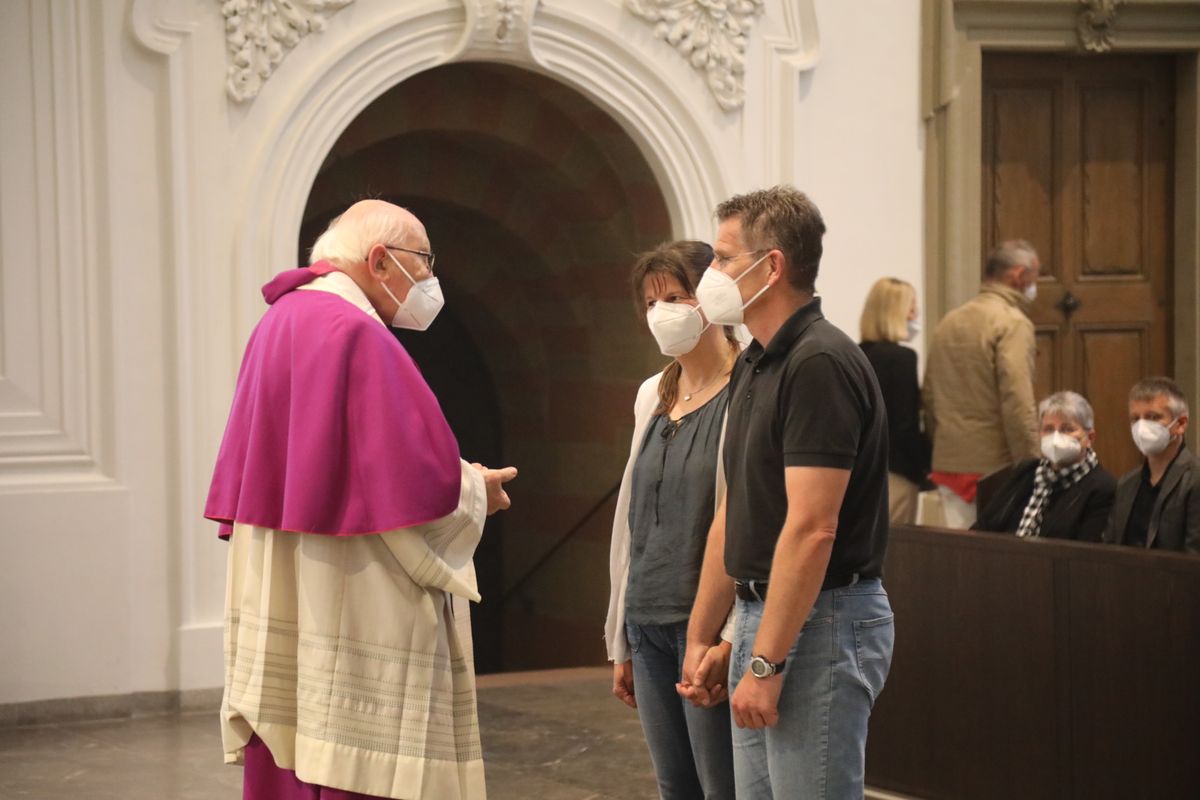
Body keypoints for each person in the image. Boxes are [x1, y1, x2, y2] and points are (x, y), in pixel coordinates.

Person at [204, 199, 518, 800]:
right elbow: (416, 487)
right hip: (353, 588)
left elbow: (353, 468)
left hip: (292, 575)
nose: (430, 280)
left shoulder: (280, 321)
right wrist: (478, 488)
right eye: (424, 262)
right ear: (380, 260)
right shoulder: (353, 332)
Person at [678, 187, 894, 799]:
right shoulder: (756, 360)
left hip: (821, 620)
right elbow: (736, 509)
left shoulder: (818, 362)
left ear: (770, 266)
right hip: (763, 615)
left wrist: (767, 662)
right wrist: (706, 636)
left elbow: (813, 527)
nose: (710, 275)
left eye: (722, 258)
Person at [604, 241, 739, 799]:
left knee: (723, 787)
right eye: (651, 301)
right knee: (674, 787)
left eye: (676, 296)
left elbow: (746, 523)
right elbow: (629, 524)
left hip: (705, 624)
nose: (663, 313)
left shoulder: (746, 390)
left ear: (709, 297)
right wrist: (621, 638)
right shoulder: (650, 395)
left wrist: (730, 635)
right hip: (648, 618)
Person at [923, 239, 1041, 528]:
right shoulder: (1012, 323)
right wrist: (1031, 465)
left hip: (948, 463)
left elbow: (929, 396)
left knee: (961, 561)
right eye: (1034, 276)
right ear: (1019, 275)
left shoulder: (949, 321)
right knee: (996, 564)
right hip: (994, 467)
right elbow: (1017, 401)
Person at [972, 391, 1116, 541]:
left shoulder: (1102, 488)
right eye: (1048, 429)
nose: (1056, 437)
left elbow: (1083, 553)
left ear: (1089, 437)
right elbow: (984, 525)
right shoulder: (1027, 471)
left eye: (1067, 429)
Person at [859, 277, 931, 524]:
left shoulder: (857, 354)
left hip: (862, 468)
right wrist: (923, 464)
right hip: (897, 469)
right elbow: (904, 424)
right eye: (911, 307)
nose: (916, 313)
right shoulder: (901, 359)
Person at [1104, 377, 1199, 553]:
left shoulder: (1195, 479)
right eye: (1135, 419)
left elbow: (1194, 557)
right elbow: (1111, 547)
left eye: (1153, 417)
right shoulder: (1127, 483)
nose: (1142, 426)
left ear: (1180, 424)